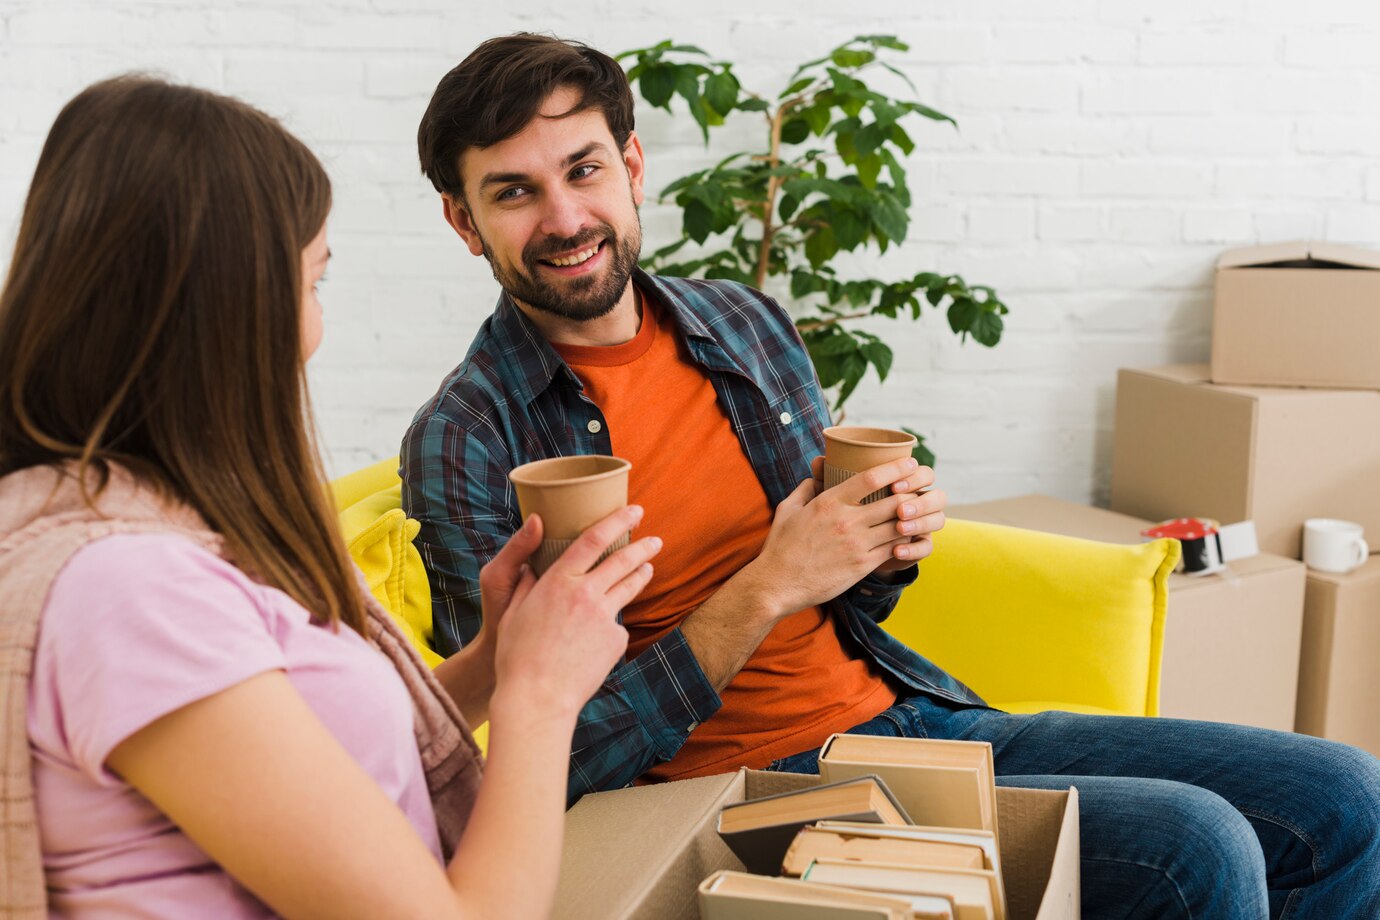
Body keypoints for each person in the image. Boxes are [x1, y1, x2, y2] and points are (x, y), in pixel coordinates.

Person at [401, 32, 1380, 919]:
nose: (567, 216)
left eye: (584, 169)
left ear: (634, 166)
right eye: (516, 190)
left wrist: (885, 541)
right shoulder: (467, 438)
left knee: (1346, 796)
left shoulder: (742, 325)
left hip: (900, 712)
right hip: (719, 795)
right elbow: (535, 758)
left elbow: (845, 587)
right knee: (1194, 849)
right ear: (463, 220)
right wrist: (773, 580)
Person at [0, 75, 662, 919]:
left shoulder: (154, 521)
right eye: (312, 282)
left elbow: (308, 748)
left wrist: (493, 665)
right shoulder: (129, 592)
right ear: (229, 308)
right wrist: (540, 695)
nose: (315, 330)